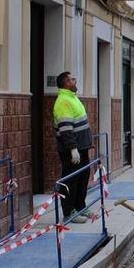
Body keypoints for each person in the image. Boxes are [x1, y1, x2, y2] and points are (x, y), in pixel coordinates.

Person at [53, 71, 94, 223]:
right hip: (72, 151)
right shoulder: (63, 101)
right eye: (72, 79)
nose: (75, 81)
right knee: (71, 181)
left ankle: (80, 207)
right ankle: (69, 213)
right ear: (66, 83)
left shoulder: (72, 98)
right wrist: (72, 148)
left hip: (81, 148)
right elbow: (65, 128)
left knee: (82, 179)